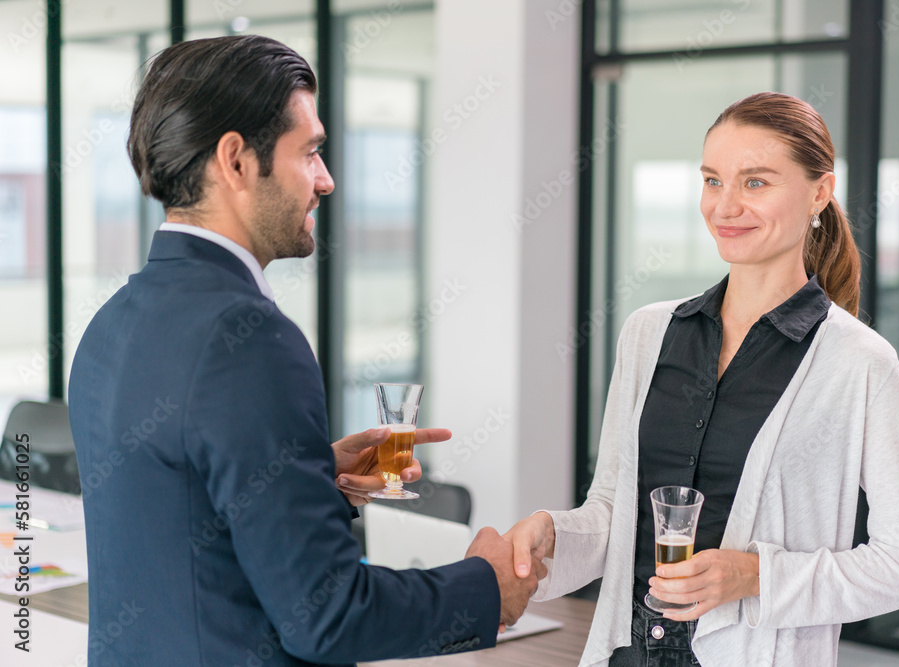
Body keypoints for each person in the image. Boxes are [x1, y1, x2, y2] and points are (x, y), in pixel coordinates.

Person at [68, 35, 543, 666]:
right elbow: (328, 616)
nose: (326, 179)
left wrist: (309, 475)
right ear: (235, 160)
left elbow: (177, 518)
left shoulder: (110, 323)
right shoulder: (251, 338)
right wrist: (489, 587)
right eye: (311, 151)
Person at [503, 92, 899, 666]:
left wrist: (757, 576)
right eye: (713, 181)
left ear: (819, 192)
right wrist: (553, 535)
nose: (725, 206)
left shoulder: (859, 362)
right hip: (627, 652)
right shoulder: (648, 333)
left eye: (755, 182)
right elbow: (614, 514)